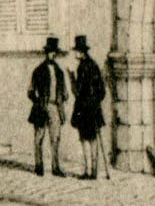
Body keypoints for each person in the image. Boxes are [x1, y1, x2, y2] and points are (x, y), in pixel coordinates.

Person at [27, 37, 67, 176]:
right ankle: (39, 166)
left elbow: (64, 93)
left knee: (55, 138)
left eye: (54, 52)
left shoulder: (59, 72)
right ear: (46, 53)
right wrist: (38, 102)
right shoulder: (38, 70)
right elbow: (30, 91)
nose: (52, 55)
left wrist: (62, 98)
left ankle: (55, 167)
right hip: (41, 107)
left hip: (55, 107)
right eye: (50, 52)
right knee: (39, 137)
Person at [71, 35, 107, 179]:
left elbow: (78, 92)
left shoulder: (82, 67)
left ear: (81, 52)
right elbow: (102, 91)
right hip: (94, 109)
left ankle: (88, 171)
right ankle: (94, 171)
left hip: (84, 109)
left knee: (85, 139)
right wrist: (96, 102)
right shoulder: (95, 65)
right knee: (93, 140)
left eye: (77, 51)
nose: (75, 54)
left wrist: (72, 80)